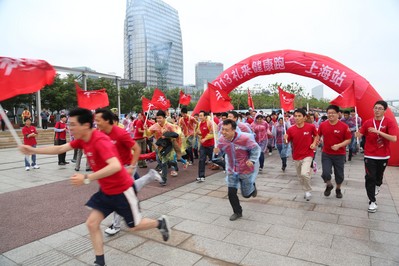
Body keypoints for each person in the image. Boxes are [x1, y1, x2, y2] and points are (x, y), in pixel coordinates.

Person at [19, 108, 170, 266]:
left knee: (134, 226)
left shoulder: (100, 140)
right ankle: (100, 262)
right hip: (106, 191)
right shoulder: (83, 139)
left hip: (122, 191)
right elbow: (60, 148)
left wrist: (86, 178)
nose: (70, 127)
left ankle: (160, 223)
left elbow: (115, 166)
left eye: (73, 124)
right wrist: (32, 150)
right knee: (92, 223)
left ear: (85, 125)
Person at [94, 108, 162, 236]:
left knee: (118, 195)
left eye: (99, 120)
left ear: (110, 121)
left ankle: (116, 225)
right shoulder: (101, 133)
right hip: (114, 170)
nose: (96, 123)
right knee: (130, 189)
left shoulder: (120, 133)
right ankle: (150, 176)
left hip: (126, 167)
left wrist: (132, 166)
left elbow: (136, 149)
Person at [355, 100, 398, 213]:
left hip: (383, 156)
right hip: (369, 155)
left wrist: (378, 131)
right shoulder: (368, 122)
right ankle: (372, 202)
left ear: (384, 110)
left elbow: (393, 138)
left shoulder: (389, 122)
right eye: (375, 108)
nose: (377, 110)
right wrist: (357, 134)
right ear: (373, 109)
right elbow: (360, 134)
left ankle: (378, 185)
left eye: (380, 108)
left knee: (378, 178)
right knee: (370, 178)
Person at [214, 119, 260, 221]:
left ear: (234, 130)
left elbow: (255, 149)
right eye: (222, 129)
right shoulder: (221, 140)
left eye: (226, 130)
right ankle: (237, 212)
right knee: (231, 192)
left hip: (245, 169)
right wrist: (217, 152)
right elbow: (219, 154)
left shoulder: (245, 138)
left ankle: (252, 187)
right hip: (231, 170)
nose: (223, 132)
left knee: (246, 195)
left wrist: (252, 160)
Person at [317, 105, 352, 199]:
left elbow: (348, 139)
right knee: (325, 173)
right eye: (329, 113)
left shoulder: (344, 126)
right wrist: (317, 140)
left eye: (333, 113)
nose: (330, 115)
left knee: (339, 175)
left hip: (339, 154)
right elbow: (317, 135)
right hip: (326, 154)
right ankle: (329, 185)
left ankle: (338, 189)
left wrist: (339, 146)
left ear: (338, 114)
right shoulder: (323, 125)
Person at [284, 108, 318, 201]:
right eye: (295, 116)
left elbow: (316, 136)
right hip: (296, 156)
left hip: (308, 154)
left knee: (304, 174)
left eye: (299, 116)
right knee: (300, 176)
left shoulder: (310, 127)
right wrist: (285, 138)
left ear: (304, 117)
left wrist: (314, 143)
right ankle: (305, 188)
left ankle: (307, 191)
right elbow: (287, 142)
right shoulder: (291, 129)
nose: (297, 118)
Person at [196, 110, 216, 182]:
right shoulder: (200, 123)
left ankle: (225, 166)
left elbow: (213, 133)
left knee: (215, 159)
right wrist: (198, 133)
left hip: (210, 145)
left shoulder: (210, 123)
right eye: (199, 116)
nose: (200, 117)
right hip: (203, 145)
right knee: (201, 160)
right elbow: (200, 133)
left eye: (201, 116)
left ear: (205, 116)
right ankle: (201, 176)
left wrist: (205, 138)